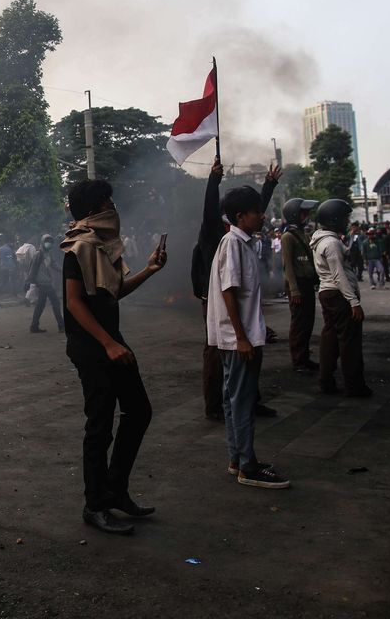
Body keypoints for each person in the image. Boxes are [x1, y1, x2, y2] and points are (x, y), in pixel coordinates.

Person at [60, 180, 166, 533]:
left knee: (139, 410)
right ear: (94, 210)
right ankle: (95, 504)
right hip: (92, 348)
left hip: (111, 341)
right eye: (108, 202)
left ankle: (116, 489)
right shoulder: (78, 247)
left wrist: (149, 270)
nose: (113, 208)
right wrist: (107, 343)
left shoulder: (103, 248)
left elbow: (114, 292)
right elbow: (74, 303)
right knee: (100, 424)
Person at [207, 186, 290, 489]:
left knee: (234, 399)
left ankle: (237, 458)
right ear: (241, 216)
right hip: (238, 338)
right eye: (257, 211)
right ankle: (248, 466)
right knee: (242, 401)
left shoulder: (243, 242)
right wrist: (242, 337)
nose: (262, 215)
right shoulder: (233, 243)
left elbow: (244, 295)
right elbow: (229, 291)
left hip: (241, 334)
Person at [192, 159, 281, 421]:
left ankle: (250, 400)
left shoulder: (239, 231)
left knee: (249, 350)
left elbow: (255, 213)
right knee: (217, 353)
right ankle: (215, 406)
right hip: (216, 300)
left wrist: (269, 185)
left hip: (239, 299)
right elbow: (210, 210)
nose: (258, 217)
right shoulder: (214, 233)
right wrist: (213, 181)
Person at [312, 199, 372, 398]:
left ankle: (325, 380)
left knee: (330, 339)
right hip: (338, 295)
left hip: (327, 293)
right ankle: (354, 386)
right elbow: (339, 276)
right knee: (349, 343)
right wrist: (353, 302)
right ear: (334, 219)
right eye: (345, 217)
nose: (347, 221)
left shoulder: (321, 239)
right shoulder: (331, 243)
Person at [279, 198, 320, 373]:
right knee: (299, 323)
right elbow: (288, 265)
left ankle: (304, 357)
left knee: (308, 322)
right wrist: (294, 289)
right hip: (297, 285)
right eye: (304, 212)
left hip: (307, 284)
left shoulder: (303, 234)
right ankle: (298, 360)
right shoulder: (288, 237)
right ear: (296, 215)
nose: (307, 215)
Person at [26, 233, 64, 333]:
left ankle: (34, 326)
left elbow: (54, 264)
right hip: (43, 283)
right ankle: (61, 325)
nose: (49, 243)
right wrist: (29, 281)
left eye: (51, 242)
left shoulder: (48, 254)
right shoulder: (39, 254)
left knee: (40, 305)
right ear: (42, 242)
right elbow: (33, 269)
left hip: (46, 282)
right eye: (47, 241)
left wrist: (64, 270)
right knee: (56, 302)